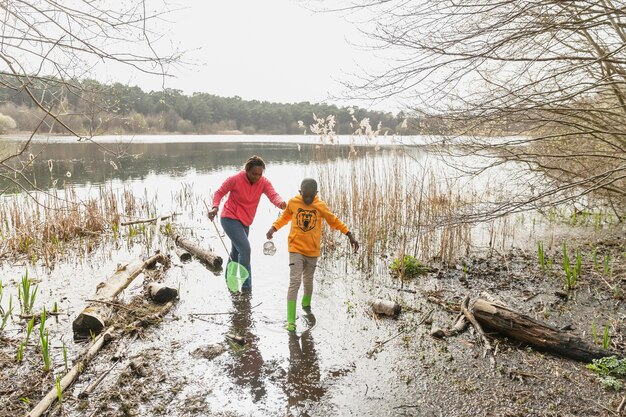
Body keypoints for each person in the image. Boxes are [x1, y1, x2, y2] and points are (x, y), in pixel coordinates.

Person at [266, 178, 359, 331]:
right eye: (305, 196)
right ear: (300, 192)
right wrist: (273, 228)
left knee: (308, 282)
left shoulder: (320, 206)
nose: (308, 199)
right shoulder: (293, 203)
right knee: (295, 282)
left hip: (312, 251)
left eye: (311, 196)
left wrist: (349, 234)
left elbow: (334, 220)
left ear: (316, 193)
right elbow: (284, 217)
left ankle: (306, 306)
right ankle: (291, 320)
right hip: (295, 248)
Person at [209, 155, 286, 290]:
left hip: (245, 221)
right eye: (254, 174)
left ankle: (229, 280)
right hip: (229, 217)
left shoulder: (263, 182)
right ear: (247, 170)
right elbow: (219, 192)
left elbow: (273, 195)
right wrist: (215, 207)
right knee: (245, 249)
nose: (257, 177)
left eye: (259, 174)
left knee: (236, 251)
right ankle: (246, 287)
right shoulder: (235, 179)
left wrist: (281, 203)